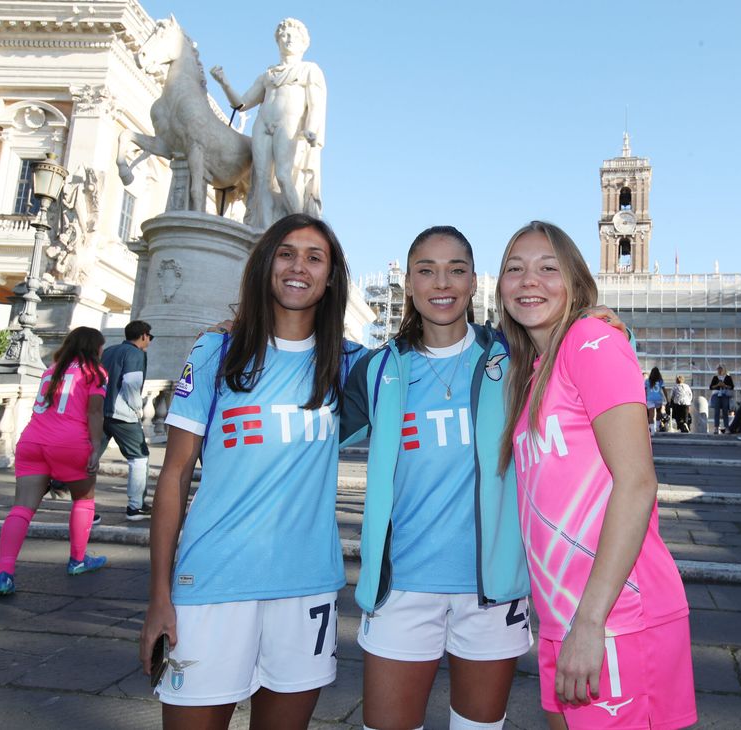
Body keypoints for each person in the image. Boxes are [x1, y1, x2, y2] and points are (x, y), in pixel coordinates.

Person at [139, 214, 363, 728]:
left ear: (331, 278)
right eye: (286, 253)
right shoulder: (216, 351)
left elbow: (442, 357)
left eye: (314, 257)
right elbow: (173, 477)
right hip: (212, 582)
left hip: (306, 586)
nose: (298, 267)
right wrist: (158, 596)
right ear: (265, 264)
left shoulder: (349, 364)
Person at [497, 221, 695, 730]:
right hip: (562, 616)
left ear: (576, 281)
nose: (529, 281)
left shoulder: (591, 340)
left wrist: (590, 622)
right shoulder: (533, 369)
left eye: (548, 268)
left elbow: (638, 482)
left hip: (613, 615)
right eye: (514, 269)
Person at [339, 226, 531, 730]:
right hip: (400, 586)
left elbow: (587, 355)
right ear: (408, 284)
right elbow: (313, 432)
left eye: (456, 269)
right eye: (426, 269)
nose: (441, 282)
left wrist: (607, 324)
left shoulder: (514, 359)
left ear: (473, 282)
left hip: (493, 590)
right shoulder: (377, 370)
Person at [0, 327, 108, 596]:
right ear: (94, 348)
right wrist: (94, 447)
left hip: (33, 440)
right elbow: (94, 412)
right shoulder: (94, 372)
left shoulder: (53, 368)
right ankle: (78, 559)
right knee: (83, 499)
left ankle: (4, 573)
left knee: (21, 508)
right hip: (70, 442)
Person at [211, 17, 326, 227]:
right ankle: (263, 231)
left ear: (303, 43)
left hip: (290, 125)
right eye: (284, 35)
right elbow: (242, 104)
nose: (288, 39)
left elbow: (316, 104)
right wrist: (224, 83)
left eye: (294, 36)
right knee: (260, 181)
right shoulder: (267, 75)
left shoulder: (309, 70)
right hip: (263, 124)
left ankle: (303, 226)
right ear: (278, 41)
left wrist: (310, 128)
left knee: (283, 175)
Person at [100, 319, 153, 521]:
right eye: (150, 337)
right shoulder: (136, 353)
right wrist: (137, 408)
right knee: (139, 457)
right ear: (143, 335)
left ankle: (64, 486)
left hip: (101, 409)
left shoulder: (109, 351)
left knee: (90, 456)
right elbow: (131, 383)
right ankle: (135, 506)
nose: (149, 341)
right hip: (122, 414)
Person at [709, 365, 734, 434]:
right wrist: (717, 385)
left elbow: (732, 386)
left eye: (721, 369)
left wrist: (724, 385)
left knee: (725, 411)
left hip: (725, 395)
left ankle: (726, 428)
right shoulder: (715, 377)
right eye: (718, 369)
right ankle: (716, 427)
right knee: (716, 411)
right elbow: (711, 387)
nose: (719, 370)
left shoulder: (728, 377)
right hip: (717, 395)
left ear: (724, 369)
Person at [645, 366, 667, 435]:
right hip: (658, 399)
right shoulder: (660, 381)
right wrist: (667, 398)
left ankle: (652, 431)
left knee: (651, 415)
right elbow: (664, 390)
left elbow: (645, 391)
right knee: (658, 412)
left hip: (650, 399)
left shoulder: (647, 381)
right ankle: (657, 427)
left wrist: (645, 399)